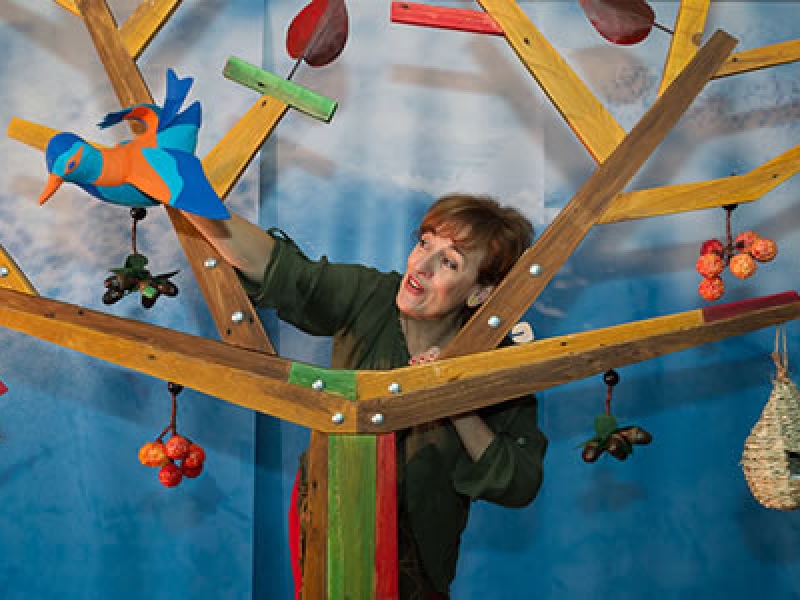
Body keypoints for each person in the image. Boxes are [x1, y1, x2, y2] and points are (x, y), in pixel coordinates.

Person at [185, 193, 547, 599]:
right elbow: (279, 269)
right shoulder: (371, 296)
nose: (421, 266)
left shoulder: (494, 361)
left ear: (479, 293)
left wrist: (454, 399)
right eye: (425, 243)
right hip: (329, 517)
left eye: (449, 263)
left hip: (420, 560)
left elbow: (520, 482)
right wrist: (184, 193)